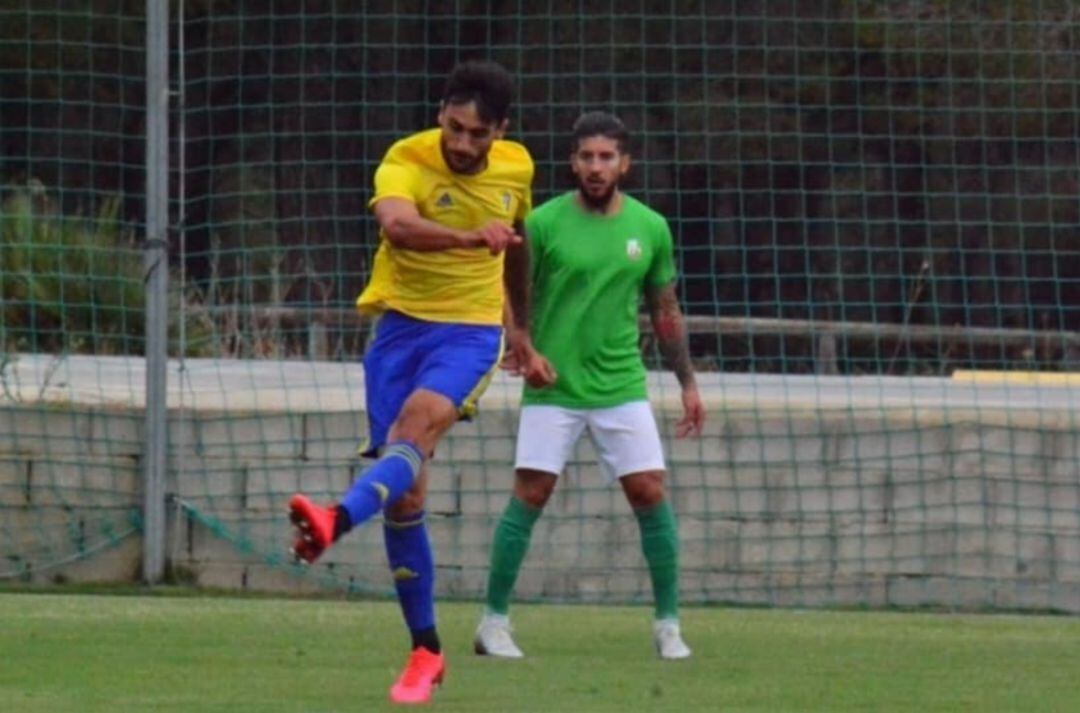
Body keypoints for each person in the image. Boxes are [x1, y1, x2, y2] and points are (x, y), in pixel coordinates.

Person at [287, 59, 535, 705]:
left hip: (470, 332)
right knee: (404, 497)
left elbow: (517, 242)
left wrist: (522, 330)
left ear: (499, 131)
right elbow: (397, 225)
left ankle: (335, 518)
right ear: (440, 116)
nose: (462, 143)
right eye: (454, 127)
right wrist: (467, 236)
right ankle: (425, 650)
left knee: (417, 425)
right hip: (397, 331)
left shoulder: (519, 167)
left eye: (477, 134)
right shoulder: (405, 157)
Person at [473, 111, 705, 661]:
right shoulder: (544, 223)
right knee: (531, 493)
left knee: (649, 491)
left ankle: (668, 626)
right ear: (572, 162)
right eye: (586, 157)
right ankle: (492, 622)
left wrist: (688, 383)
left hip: (621, 385)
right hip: (553, 383)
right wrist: (520, 344)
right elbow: (505, 286)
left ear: (625, 163)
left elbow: (665, 309)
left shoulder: (650, 227)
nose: (596, 167)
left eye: (606, 157)